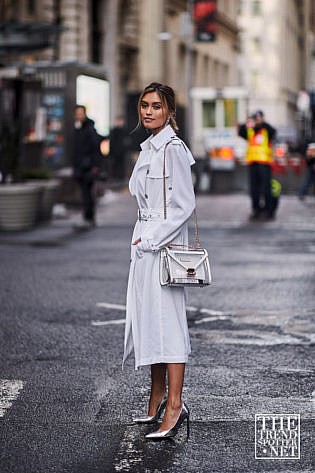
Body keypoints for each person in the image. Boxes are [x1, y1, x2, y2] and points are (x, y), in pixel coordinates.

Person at [123, 82, 195, 440]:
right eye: (144, 105)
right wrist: (142, 240)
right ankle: (156, 397)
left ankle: (174, 405)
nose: (148, 111)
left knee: (169, 324)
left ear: (169, 112)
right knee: (149, 322)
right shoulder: (149, 148)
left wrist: (150, 239)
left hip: (162, 247)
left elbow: (185, 206)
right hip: (145, 246)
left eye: (156, 106)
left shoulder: (172, 149)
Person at [238, 110, 276, 220]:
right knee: (254, 189)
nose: (257, 120)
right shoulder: (250, 130)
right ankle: (256, 209)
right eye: (256, 118)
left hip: (264, 164)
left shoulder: (267, 130)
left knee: (266, 188)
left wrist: (261, 122)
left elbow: (273, 131)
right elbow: (241, 131)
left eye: (259, 118)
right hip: (252, 163)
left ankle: (269, 210)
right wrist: (248, 122)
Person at [72, 105, 100, 228]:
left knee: (87, 193)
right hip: (79, 166)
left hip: (88, 167)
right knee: (85, 193)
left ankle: (89, 218)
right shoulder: (77, 129)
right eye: (76, 113)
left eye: (80, 113)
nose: (78, 116)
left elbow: (95, 149)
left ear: (84, 113)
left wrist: (95, 165)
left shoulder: (89, 129)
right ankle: (88, 218)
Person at [109, 116, 130, 181]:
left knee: (122, 164)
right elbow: (112, 141)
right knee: (115, 164)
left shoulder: (125, 130)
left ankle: (121, 176)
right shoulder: (114, 130)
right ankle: (114, 176)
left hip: (122, 151)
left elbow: (127, 140)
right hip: (115, 151)